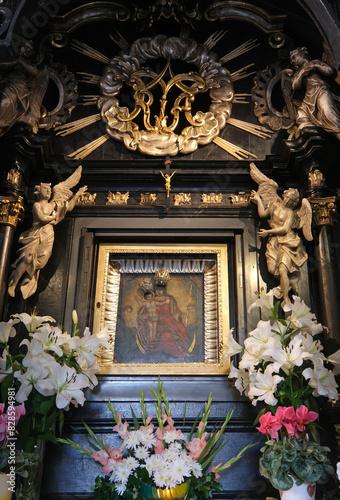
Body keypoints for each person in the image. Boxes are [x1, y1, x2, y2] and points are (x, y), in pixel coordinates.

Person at [8, 169, 87, 299]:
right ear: (39, 192)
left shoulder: (53, 204)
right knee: (27, 258)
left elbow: (69, 207)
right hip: (35, 234)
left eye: (50, 190)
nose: (49, 191)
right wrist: (53, 217)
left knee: (42, 262)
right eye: (46, 189)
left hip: (48, 233)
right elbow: (42, 218)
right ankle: (13, 284)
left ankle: (28, 279)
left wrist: (77, 194)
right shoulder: (37, 205)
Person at [250, 162, 312, 306]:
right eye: (286, 194)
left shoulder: (290, 213)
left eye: (290, 196)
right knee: (273, 269)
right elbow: (263, 214)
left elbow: (284, 229)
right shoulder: (274, 204)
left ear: (293, 200)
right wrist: (259, 200)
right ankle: (291, 282)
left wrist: (268, 231)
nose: (286, 196)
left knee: (282, 269)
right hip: (274, 241)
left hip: (287, 241)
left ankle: (286, 299)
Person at [289, 46, 340, 140]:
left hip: (320, 90)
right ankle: (309, 128)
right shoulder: (298, 73)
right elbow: (295, 86)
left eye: (294, 57)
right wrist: (303, 72)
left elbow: (330, 71)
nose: (292, 61)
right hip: (308, 97)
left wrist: (314, 66)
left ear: (302, 54)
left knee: (327, 111)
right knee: (301, 117)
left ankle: (338, 133)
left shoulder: (315, 62)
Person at [0, 40, 49, 135]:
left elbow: (35, 73)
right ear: (20, 47)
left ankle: (1, 123)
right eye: (25, 47)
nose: (27, 50)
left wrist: (21, 62)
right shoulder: (12, 60)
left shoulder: (29, 65)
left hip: (18, 89)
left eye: (29, 49)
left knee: (7, 99)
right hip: (7, 85)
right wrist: (16, 62)